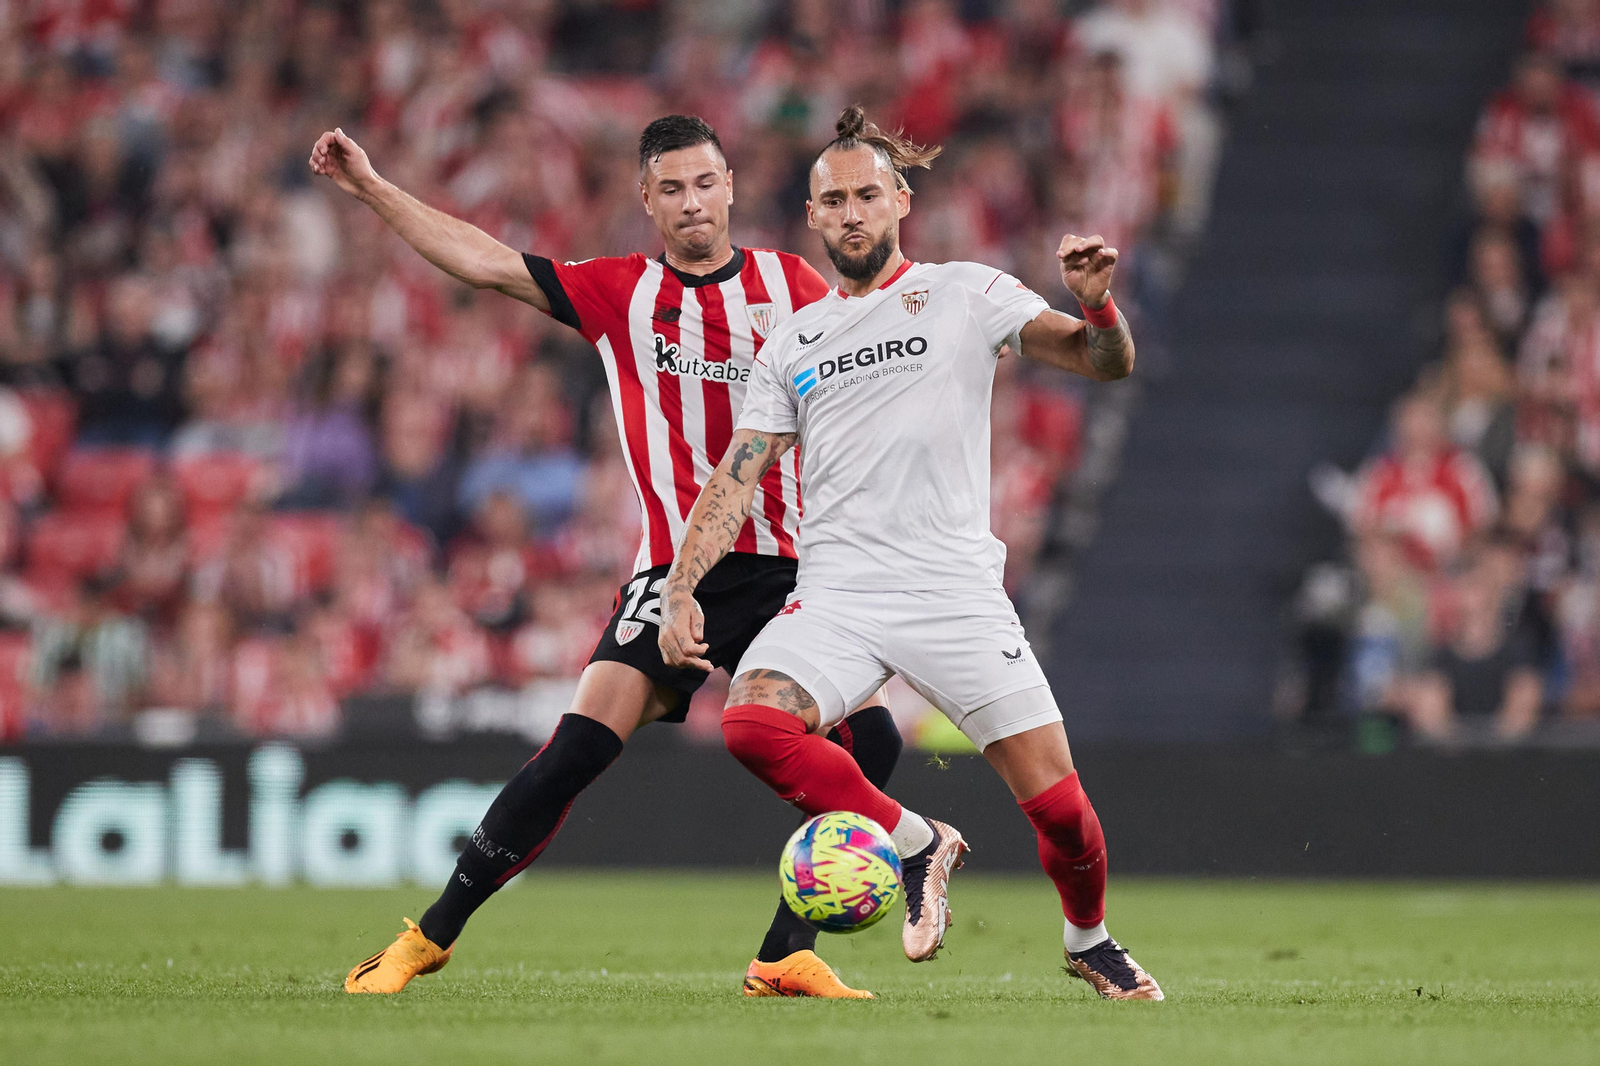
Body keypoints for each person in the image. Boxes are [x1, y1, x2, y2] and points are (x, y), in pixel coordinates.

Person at [311, 115, 901, 999]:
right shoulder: (619, 292)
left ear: (731, 185)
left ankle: (784, 953)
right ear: (647, 201)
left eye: (705, 184)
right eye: (671, 189)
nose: (692, 203)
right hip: (676, 571)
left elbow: (870, 375)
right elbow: (484, 260)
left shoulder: (794, 282)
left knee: (877, 741)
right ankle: (427, 939)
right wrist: (371, 187)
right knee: (575, 751)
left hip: (788, 568)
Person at [659, 107, 1162, 1001]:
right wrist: (680, 588)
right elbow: (738, 475)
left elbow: (1103, 362)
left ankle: (1089, 938)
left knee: (1064, 814)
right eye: (832, 200)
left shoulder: (966, 292)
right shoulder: (794, 343)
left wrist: (1096, 304)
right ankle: (915, 837)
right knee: (751, 722)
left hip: (953, 592)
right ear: (811, 217)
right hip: (839, 593)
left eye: (865, 195)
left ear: (899, 200)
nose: (851, 213)